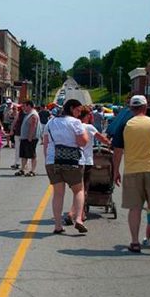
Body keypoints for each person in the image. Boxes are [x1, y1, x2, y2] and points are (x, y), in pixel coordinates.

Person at [112, 95, 150, 254]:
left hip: (133, 170)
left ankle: (134, 242)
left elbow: (118, 151)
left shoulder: (125, 125)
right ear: (146, 107)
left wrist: (115, 171)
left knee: (135, 208)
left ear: (131, 109)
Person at [42, 99, 89, 234]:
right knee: (78, 190)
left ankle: (58, 225)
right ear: (72, 108)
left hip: (53, 160)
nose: (79, 114)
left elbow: (45, 143)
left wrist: (48, 160)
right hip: (73, 161)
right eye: (78, 110)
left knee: (58, 193)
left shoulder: (51, 122)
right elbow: (82, 142)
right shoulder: (75, 123)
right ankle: (79, 219)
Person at [65, 106, 111, 225]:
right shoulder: (89, 127)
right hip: (86, 161)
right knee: (83, 189)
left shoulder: (73, 126)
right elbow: (101, 138)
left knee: (76, 189)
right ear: (86, 116)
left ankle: (78, 212)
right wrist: (110, 143)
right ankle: (76, 213)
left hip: (73, 160)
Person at [19, 100, 40, 177]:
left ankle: (32, 170)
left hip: (30, 138)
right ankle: (23, 169)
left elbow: (33, 126)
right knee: (24, 155)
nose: (23, 108)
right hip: (25, 138)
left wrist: (30, 137)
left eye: (24, 106)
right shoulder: (28, 114)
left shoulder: (33, 115)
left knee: (32, 155)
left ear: (29, 106)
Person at [10, 104, 25, 171]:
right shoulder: (19, 113)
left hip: (25, 134)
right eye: (23, 106)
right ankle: (17, 163)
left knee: (24, 150)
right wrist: (12, 129)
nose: (23, 107)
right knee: (17, 149)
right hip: (18, 133)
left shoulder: (29, 114)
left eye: (25, 106)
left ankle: (24, 164)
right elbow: (14, 121)